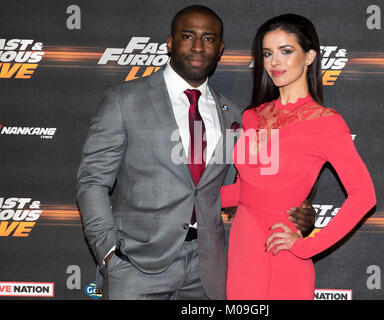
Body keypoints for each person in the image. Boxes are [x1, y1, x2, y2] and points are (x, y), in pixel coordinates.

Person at [76, 6, 316, 300]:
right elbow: (92, 182)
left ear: (221, 49)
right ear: (170, 42)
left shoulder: (234, 116)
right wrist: (109, 251)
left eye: (209, 39)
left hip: (207, 272)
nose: (198, 46)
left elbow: (242, 190)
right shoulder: (124, 100)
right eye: (188, 36)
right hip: (135, 266)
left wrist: (295, 211)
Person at [220, 14, 376, 300]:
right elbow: (246, 190)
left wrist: (307, 247)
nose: (274, 62)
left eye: (286, 51)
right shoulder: (252, 116)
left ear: (309, 56)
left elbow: (364, 196)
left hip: (283, 252)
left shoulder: (326, 123)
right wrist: (188, 196)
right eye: (267, 54)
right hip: (242, 248)